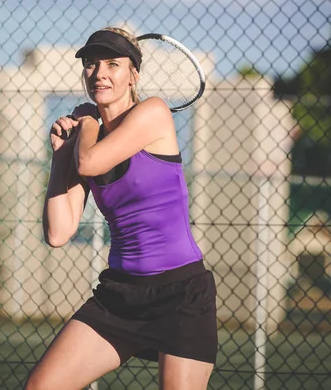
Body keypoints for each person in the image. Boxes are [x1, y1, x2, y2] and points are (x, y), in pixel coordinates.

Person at [25, 27, 217, 390]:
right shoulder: (86, 142)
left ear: (133, 75)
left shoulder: (153, 112)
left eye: (113, 63)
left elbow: (90, 163)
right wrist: (59, 156)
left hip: (179, 294)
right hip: (120, 295)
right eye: (92, 64)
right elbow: (58, 232)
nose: (99, 73)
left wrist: (86, 122)